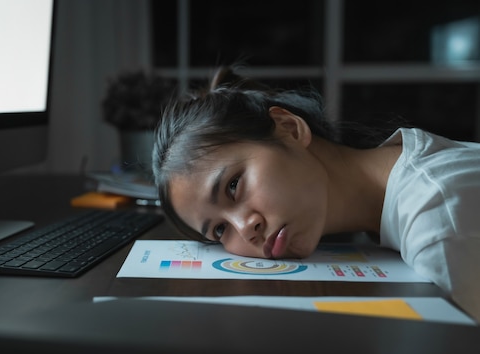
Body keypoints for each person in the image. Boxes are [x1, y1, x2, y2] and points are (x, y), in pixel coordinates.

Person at [152, 65, 480, 319]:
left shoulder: (437, 222)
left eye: (233, 186)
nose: (244, 228)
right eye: (219, 230)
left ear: (291, 129)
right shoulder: (400, 171)